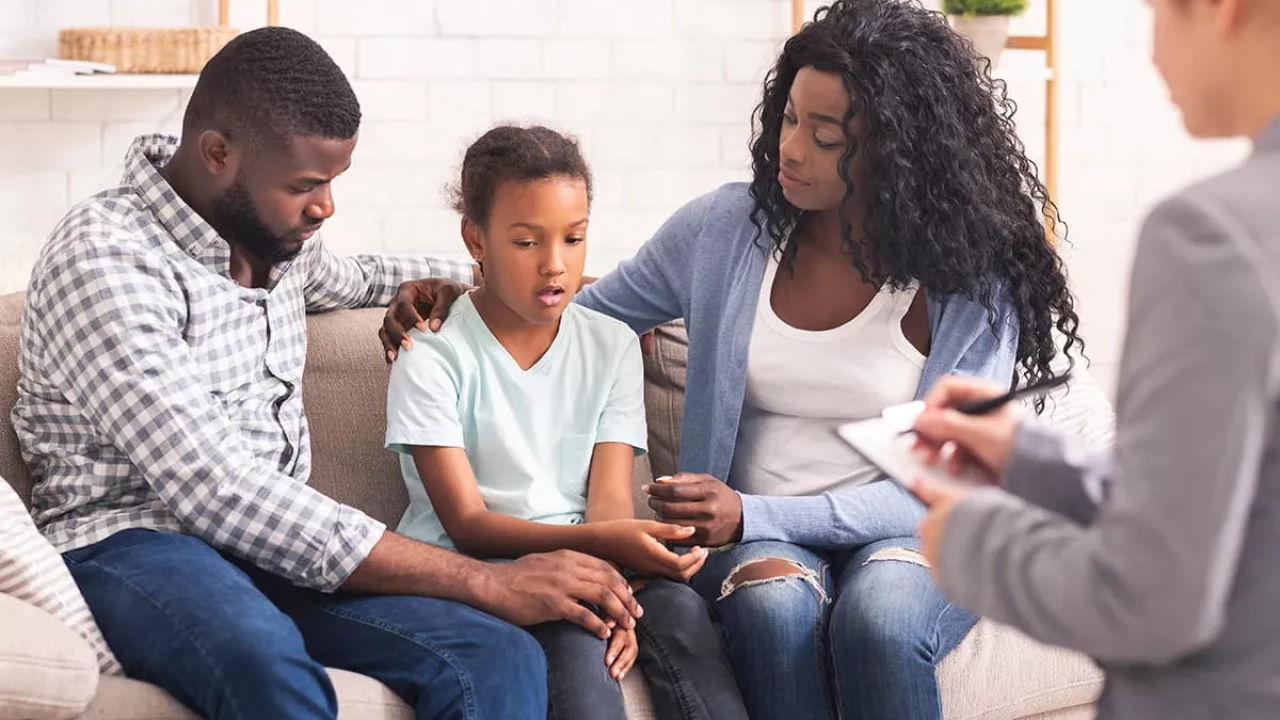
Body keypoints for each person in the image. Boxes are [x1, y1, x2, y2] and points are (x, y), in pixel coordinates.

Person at [381, 1, 1084, 717]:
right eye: (788, 119)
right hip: (757, 541)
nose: (792, 149)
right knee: (772, 611)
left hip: (907, 529)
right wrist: (459, 295)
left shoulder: (972, 278)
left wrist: (750, 513)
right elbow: (569, 318)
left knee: (881, 620)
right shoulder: (727, 230)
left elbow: (937, 486)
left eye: (826, 134)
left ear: (898, 147)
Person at [11, 28, 644, 720]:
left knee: (499, 656)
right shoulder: (105, 257)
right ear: (218, 154)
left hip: (277, 557)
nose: (325, 208)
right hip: (139, 545)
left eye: (333, 183)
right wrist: (481, 582)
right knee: (264, 663)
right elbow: (217, 490)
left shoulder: (273, 241)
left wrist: (479, 283)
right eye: (305, 186)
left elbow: (362, 275)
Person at [908, 0, 1280, 718]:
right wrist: (1033, 458)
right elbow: (1236, 507)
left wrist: (971, 538)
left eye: (1156, 13)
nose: (1151, 54)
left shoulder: (1213, 237)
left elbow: (1152, 593)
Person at [385, 124, 748, 720]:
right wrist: (603, 560)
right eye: (526, 243)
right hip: (479, 572)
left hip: (590, 557)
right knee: (577, 647)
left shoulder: (610, 344)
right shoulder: (430, 352)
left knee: (683, 614)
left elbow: (607, 503)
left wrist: (618, 579)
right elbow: (469, 524)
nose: (556, 265)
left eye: (574, 238)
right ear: (475, 239)